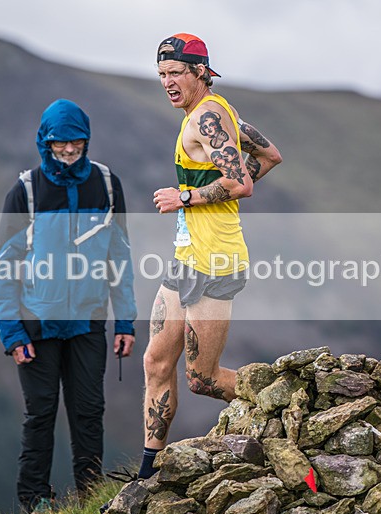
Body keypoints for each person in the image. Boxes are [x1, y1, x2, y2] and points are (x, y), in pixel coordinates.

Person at [140, 33, 282, 478]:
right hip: (186, 257)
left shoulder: (207, 118)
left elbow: (241, 183)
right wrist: (203, 199)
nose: (167, 81)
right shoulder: (213, 114)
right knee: (156, 362)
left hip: (215, 261)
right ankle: (148, 473)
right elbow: (269, 155)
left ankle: (282, 398)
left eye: (175, 72)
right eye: (161, 73)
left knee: (202, 379)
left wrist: (184, 197)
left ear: (200, 72)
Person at [0, 99, 136, 514]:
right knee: (40, 414)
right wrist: (12, 333)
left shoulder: (107, 184)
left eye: (76, 142)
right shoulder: (26, 191)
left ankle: (90, 498)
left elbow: (120, 256)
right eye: (59, 143)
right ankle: (36, 501)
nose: (69, 150)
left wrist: (125, 320)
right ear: (44, 142)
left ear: (87, 140)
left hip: (88, 322)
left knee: (89, 412)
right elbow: (1, 268)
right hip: (36, 325)